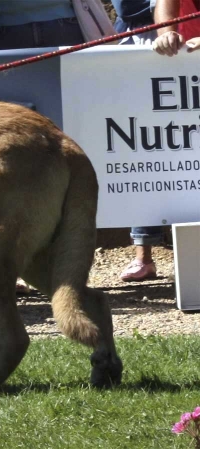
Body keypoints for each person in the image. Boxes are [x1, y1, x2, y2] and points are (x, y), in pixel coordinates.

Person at [108, 1, 161, 282]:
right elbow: (128, 8)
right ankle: (144, 255)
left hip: (187, 36)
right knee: (142, 148)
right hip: (141, 41)